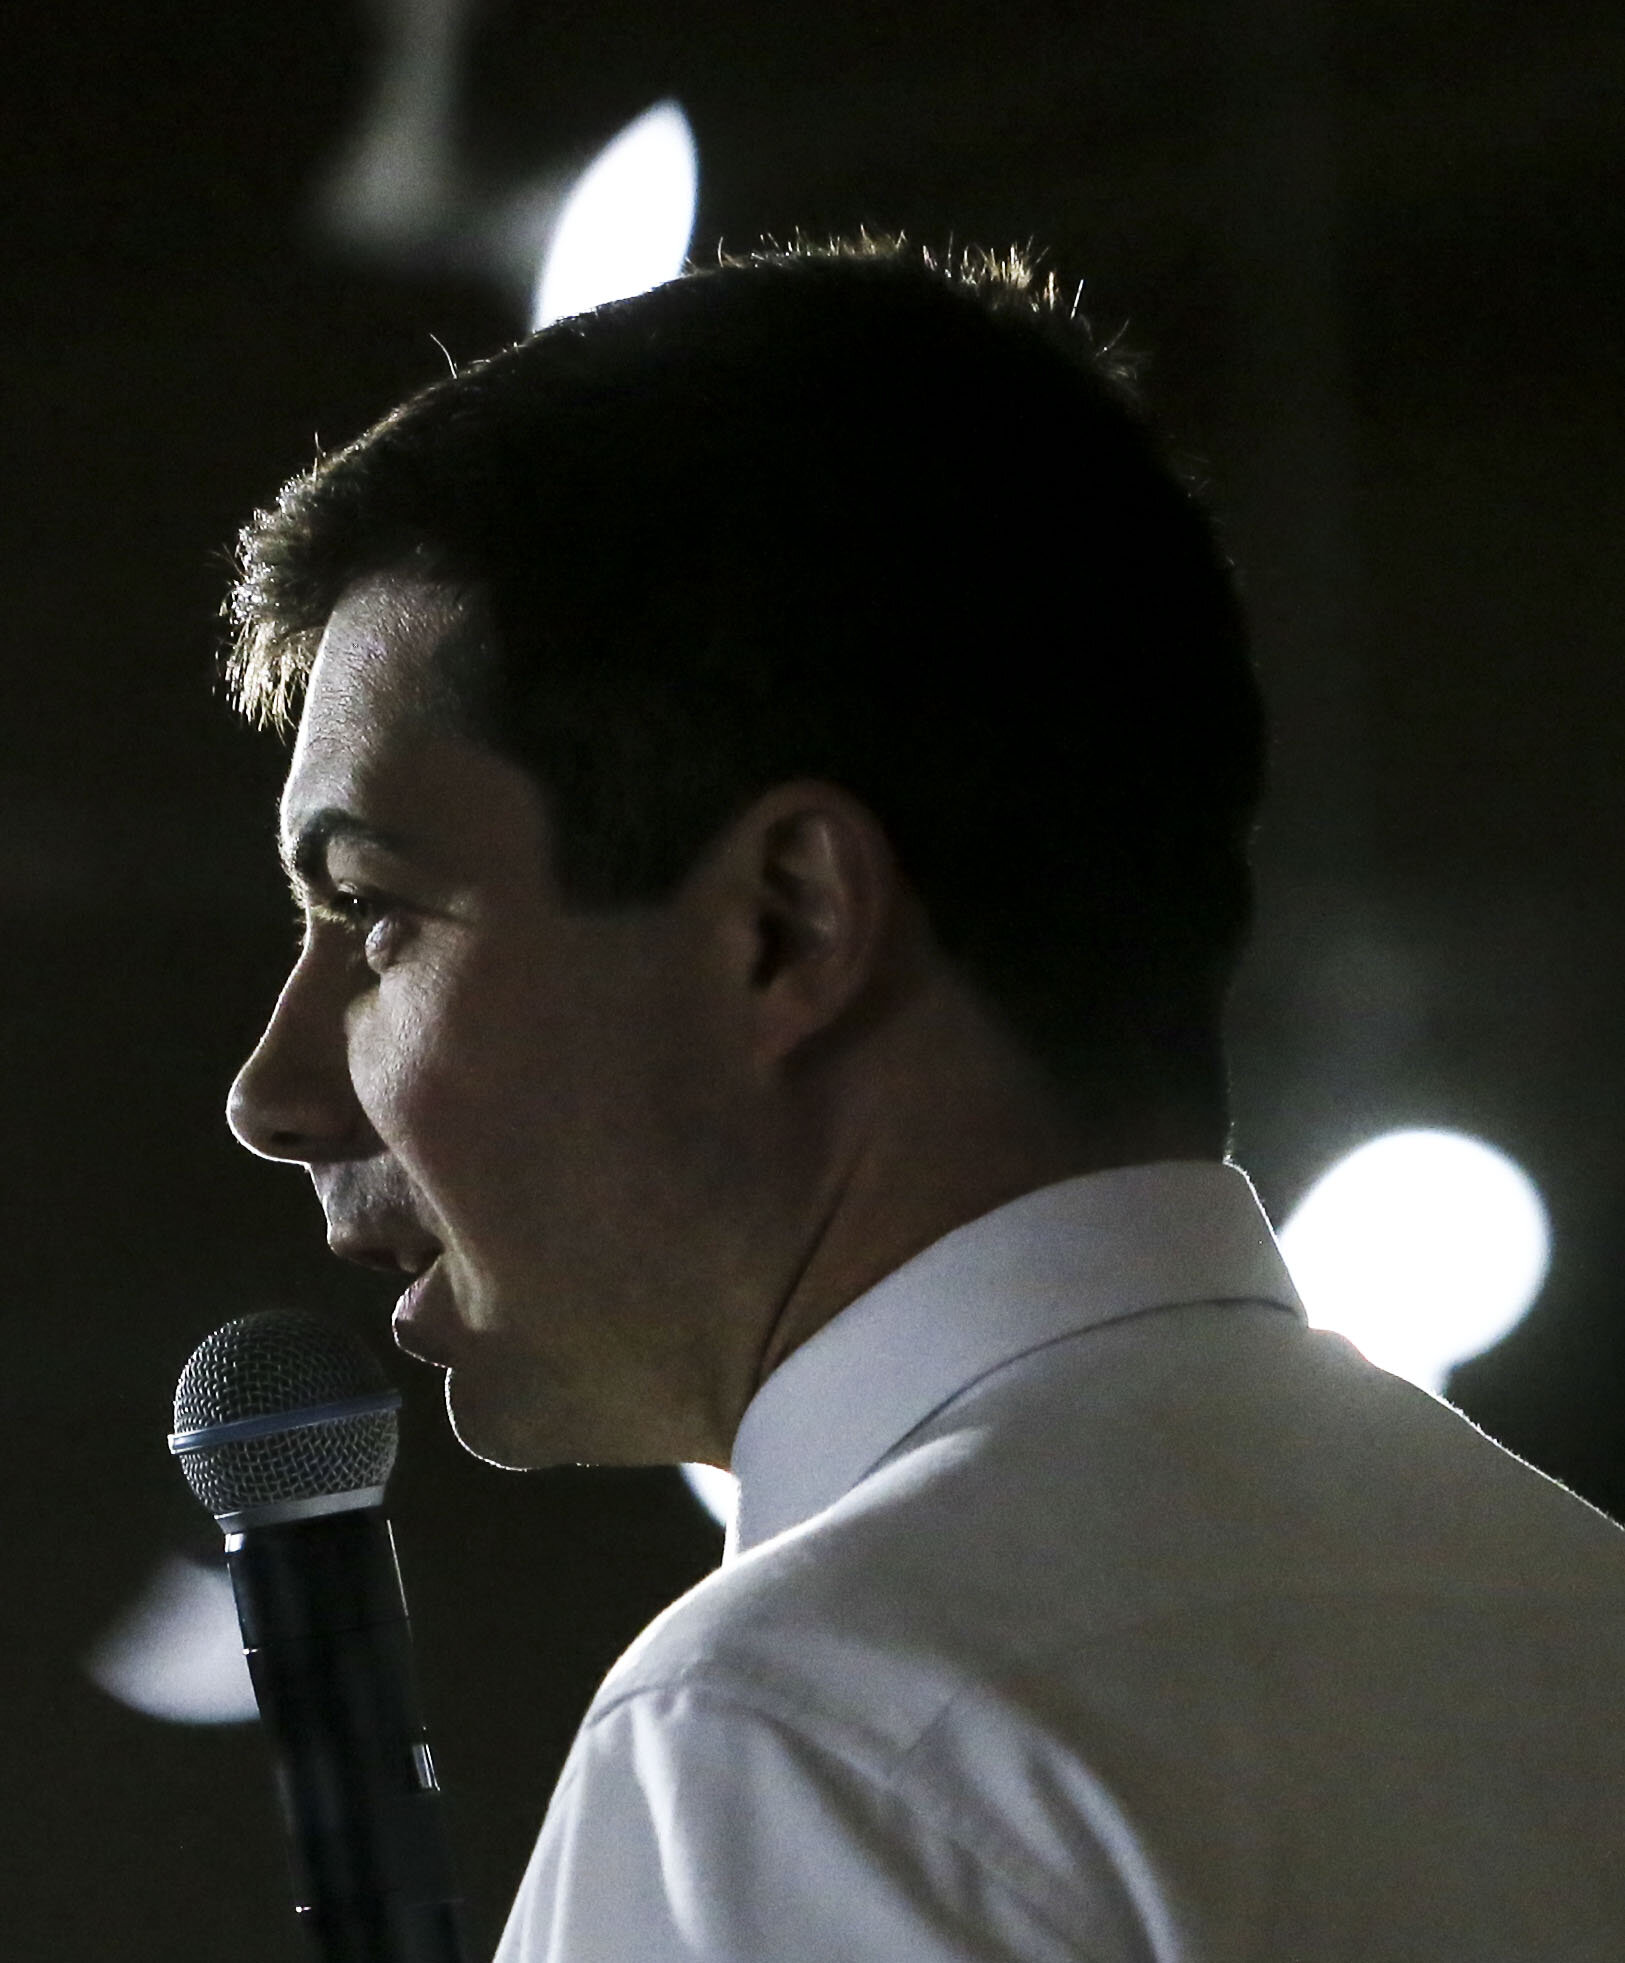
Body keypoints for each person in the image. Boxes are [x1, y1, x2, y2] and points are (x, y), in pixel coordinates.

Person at [224, 241, 1625, 1961]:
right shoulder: (1574, 1620)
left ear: (788, 925)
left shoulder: (795, 1737)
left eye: (377, 916)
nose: (273, 1092)